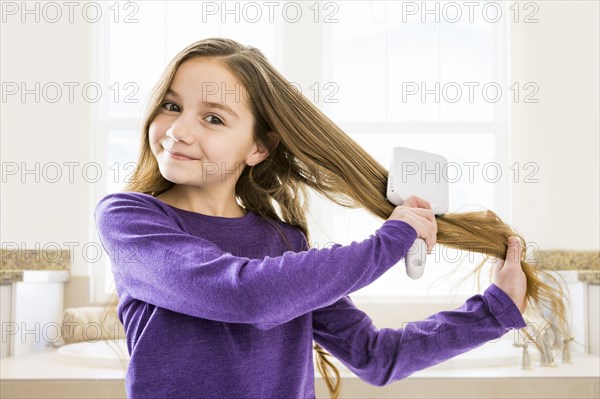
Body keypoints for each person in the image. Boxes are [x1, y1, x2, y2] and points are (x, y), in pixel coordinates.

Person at [94, 38, 527, 399]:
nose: (178, 131)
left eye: (212, 117)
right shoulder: (130, 219)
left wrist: (493, 311)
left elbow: (374, 356)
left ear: (258, 148)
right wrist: (389, 242)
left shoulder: (284, 243)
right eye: (171, 106)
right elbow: (243, 295)